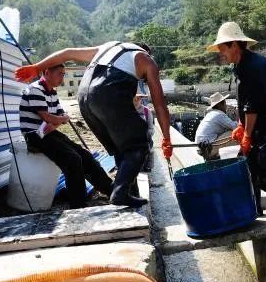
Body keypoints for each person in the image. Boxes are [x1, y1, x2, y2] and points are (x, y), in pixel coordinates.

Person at [15, 42, 173, 208]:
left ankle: (125, 193)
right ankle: (118, 193)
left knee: (121, 147)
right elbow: (160, 104)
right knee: (139, 143)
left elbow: (68, 52)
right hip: (105, 96)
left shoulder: (109, 47)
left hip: (84, 97)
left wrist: (37, 67)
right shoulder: (146, 59)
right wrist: (167, 139)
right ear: (147, 52)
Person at [208, 22, 266, 227]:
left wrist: (246, 135)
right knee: (247, 164)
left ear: (234, 45)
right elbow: (244, 104)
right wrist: (240, 125)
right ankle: (253, 209)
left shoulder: (253, 66)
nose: (221, 53)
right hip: (263, 126)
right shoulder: (242, 66)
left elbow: (252, 106)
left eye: (223, 48)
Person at [19, 64, 114, 209]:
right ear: (47, 72)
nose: (62, 77)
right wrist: (57, 120)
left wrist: (57, 121)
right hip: (34, 135)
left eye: (63, 74)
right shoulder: (35, 90)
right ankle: (78, 203)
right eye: (59, 74)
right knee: (72, 159)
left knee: (85, 155)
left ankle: (110, 189)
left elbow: (62, 116)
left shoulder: (52, 92)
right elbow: (48, 117)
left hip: (49, 133)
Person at [194, 92, 238, 160]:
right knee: (234, 133)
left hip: (202, 148)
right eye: (224, 103)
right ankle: (239, 157)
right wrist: (237, 115)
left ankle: (219, 155)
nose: (226, 106)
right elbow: (236, 127)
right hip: (208, 148)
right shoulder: (219, 114)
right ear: (220, 104)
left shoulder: (211, 113)